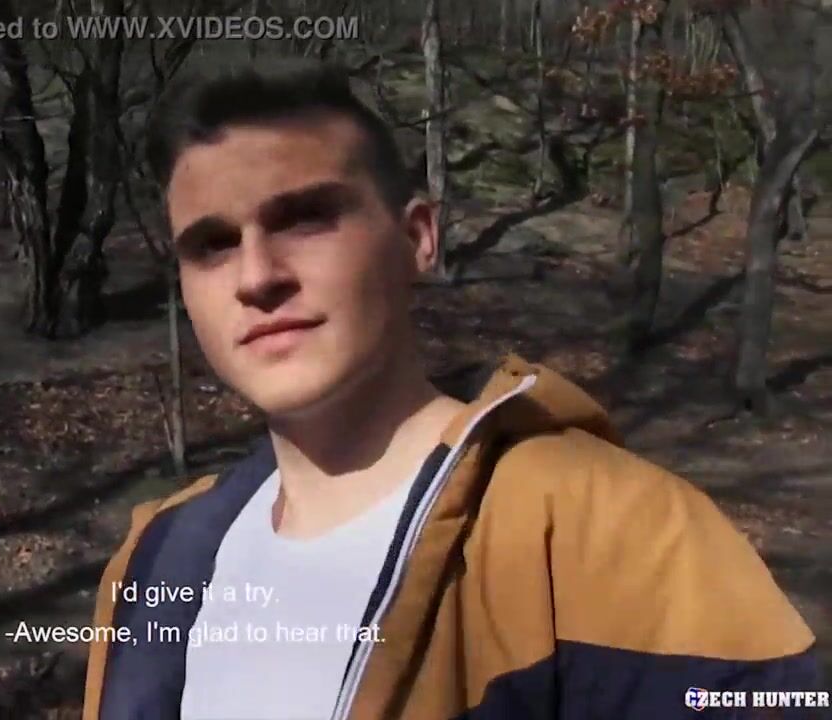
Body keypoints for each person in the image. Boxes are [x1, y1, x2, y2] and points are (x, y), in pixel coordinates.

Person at [81, 58, 822, 719]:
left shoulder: (615, 530)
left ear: (418, 239)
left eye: (305, 219)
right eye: (213, 245)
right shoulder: (157, 560)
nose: (256, 277)